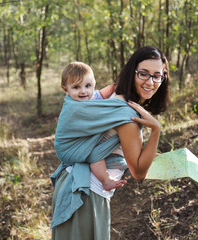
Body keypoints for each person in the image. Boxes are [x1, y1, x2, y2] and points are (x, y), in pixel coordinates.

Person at [51, 46, 170, 239]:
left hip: (73, 186)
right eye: (144, 74)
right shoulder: (127, 113)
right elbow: (139, 173)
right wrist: (156, 130)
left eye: (157, 76)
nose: (151, 82)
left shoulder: (114, 97)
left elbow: (120, 150)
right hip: (86, 195)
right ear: (133, 73)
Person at [60, 61, 127, 191]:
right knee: (95, 157)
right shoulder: (73, 107)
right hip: (81, 143)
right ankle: (105, 180)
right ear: (65, 89)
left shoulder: (93, 96)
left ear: (93, 84)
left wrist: (120, 86)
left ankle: (140, 154)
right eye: (76, 87)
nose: (83, 91)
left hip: (94, 138)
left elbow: (107, 91)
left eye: (88, 85)